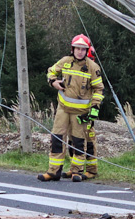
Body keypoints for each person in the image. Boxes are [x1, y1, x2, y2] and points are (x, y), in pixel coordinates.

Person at [39, 34, 104, 182]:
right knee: (56, 139)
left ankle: (77, 171)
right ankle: (53, 171)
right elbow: (51, 71)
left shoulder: (92, 67)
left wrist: (94, 110)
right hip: (63, 109)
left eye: (83, 49)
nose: (80, 52)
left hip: (80, 112)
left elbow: (99, 90)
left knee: (79, 142)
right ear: (72, 49)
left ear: (87, 51)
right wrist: (53, 82)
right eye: (77, 49)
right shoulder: (65, 62)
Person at [64, 43, 99, 180]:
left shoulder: (93, 71)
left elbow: (98, 93)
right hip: (75, 111)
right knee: (73, 140)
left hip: (87, 112)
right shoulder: (75, 68)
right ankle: (74, 168)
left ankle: (91, 170)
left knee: (88, 141)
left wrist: (92, 114)